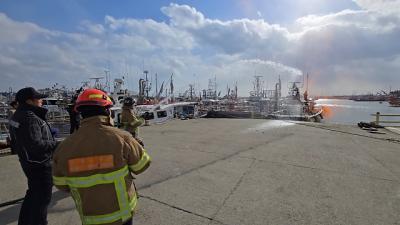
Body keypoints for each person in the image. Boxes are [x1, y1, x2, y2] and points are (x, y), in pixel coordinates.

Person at [52, 89, 151, 225]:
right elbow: (141, 166)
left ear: (81, 113)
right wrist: (138, 146)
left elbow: (61, 185)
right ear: (107, 111)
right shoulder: (122, 138)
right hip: (122, 216)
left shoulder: (63, 148)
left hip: (90, 218)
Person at [8, 87, 58, 225]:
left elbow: (19, 140)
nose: (41, 100)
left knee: (32, 195)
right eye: (39, 98)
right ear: (29, 101)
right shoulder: (30, 118)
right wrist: (56, 144)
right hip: (40, 165)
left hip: (28, 162)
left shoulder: (17, 116)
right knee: (42, 201)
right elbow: (36, 145)